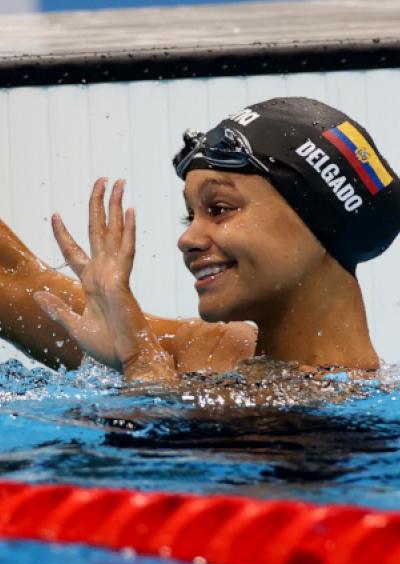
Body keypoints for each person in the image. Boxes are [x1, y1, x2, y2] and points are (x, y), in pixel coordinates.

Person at [1, 97, 400, 381]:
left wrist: (142, 363)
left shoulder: (342, 410)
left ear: (320, 222)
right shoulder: (217, 351)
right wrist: (134, 343)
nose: (188, 238)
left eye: (220, 209)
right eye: (190, 215)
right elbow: (13, 282)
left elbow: (156, 463)